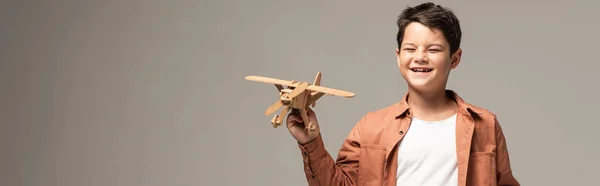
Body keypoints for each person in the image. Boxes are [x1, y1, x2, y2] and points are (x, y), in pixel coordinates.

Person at [285, 2, 520, 186]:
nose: (420, 57)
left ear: (455, 58)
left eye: (433, 49)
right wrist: (311, 142)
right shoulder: (370, 127)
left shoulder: (485, 124)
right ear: (398, 57)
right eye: (410, 48)